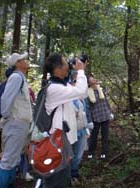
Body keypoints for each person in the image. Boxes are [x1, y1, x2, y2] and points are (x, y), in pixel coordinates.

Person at [41, 53, 88, 188]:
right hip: (57, 143)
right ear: (57, 68)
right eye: (65, 62)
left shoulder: (60, 85)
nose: (68, 64)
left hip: (63, 142)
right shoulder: (54, 88)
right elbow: (80, 91)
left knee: (63, 178)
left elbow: (82, 93)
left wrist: (77, 73)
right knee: (56, 180)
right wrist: (80, 70)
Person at [0, 52, 32, 188]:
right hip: (16, 122)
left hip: (19, 123)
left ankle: (10, 183)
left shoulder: (21, 78)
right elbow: (6, 99)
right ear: (17, 64)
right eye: (23, 59)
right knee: (8, 160)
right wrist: (8, 117)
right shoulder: (16, 77)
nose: (26, 61)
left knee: (14, 158)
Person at [87, 75, 113, 159]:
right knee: (94, 136)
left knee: (105, 136)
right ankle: (91, 152)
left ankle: (104, 153)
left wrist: (110, 112)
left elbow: (106, 102)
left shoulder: (101, 89)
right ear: (88, 83)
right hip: (95, 117)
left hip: (105, 115)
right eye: (91, 81)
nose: (94, 81)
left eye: (94, 80)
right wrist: (89, 120)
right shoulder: (87, 93)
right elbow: (88, 107)